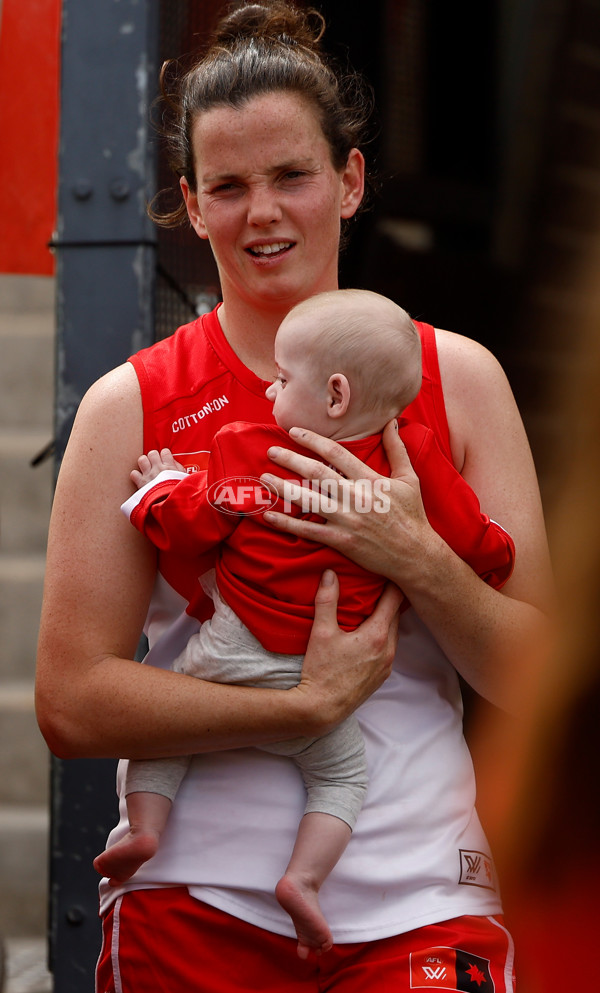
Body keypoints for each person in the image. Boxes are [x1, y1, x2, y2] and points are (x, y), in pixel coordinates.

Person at [35, 1, 552, 989]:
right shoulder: (130, 403)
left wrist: (419, 557)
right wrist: (301, 705)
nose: (262, 212)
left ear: (349, 182)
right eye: (228, 187)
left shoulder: (461, 377)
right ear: (192, 205)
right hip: (190, 899)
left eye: (291, 176)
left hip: (422, 901)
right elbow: (71, 700)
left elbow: (544, 679)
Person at [93, 288, 515, 959]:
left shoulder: (246, 445)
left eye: (284, 382)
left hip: (231, 650)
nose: (269, 395)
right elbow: (477, 537)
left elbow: (186, 523)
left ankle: (146, 827)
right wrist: (486, 550)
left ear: (336, 394)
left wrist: (156, 488)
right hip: (337, 666)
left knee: (161, 733)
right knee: (343, 780)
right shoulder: (418, 459)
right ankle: (306, 876)